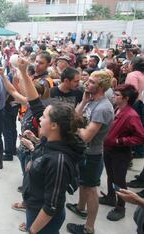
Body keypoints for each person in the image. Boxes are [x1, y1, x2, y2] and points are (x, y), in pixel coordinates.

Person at [15, 58, 85, 234]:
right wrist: (23, 72)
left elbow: (52, 206)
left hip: (43, 218)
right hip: (34, 207)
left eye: (44, 117)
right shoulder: (50, 141)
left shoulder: (58, 161)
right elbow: (35, 102)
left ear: (54, 125)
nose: (39, 118)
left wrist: (33, 230)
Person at [67, 70, 114, 234]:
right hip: (84, 152)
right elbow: (75, 116)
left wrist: (76, 127)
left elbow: (86, 136)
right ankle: (80, 207)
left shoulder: (102, 108)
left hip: (92, 155)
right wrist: (84, 101)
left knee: (91, 189)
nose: (87, 83)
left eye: (92, 82)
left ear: (101, 87)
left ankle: (89, 227)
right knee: (84, 183)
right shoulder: (91, 100)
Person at [99, 84, 144, 221]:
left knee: (119, 179)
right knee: (111, 175)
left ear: (126, 98)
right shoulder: (117, 109)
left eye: (117, 95)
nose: (113, 96)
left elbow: (140, 137)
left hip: (120, 153)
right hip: (109, 150)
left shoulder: (131, 115)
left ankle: (120, 207)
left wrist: (120, 141)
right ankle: (111, 197)